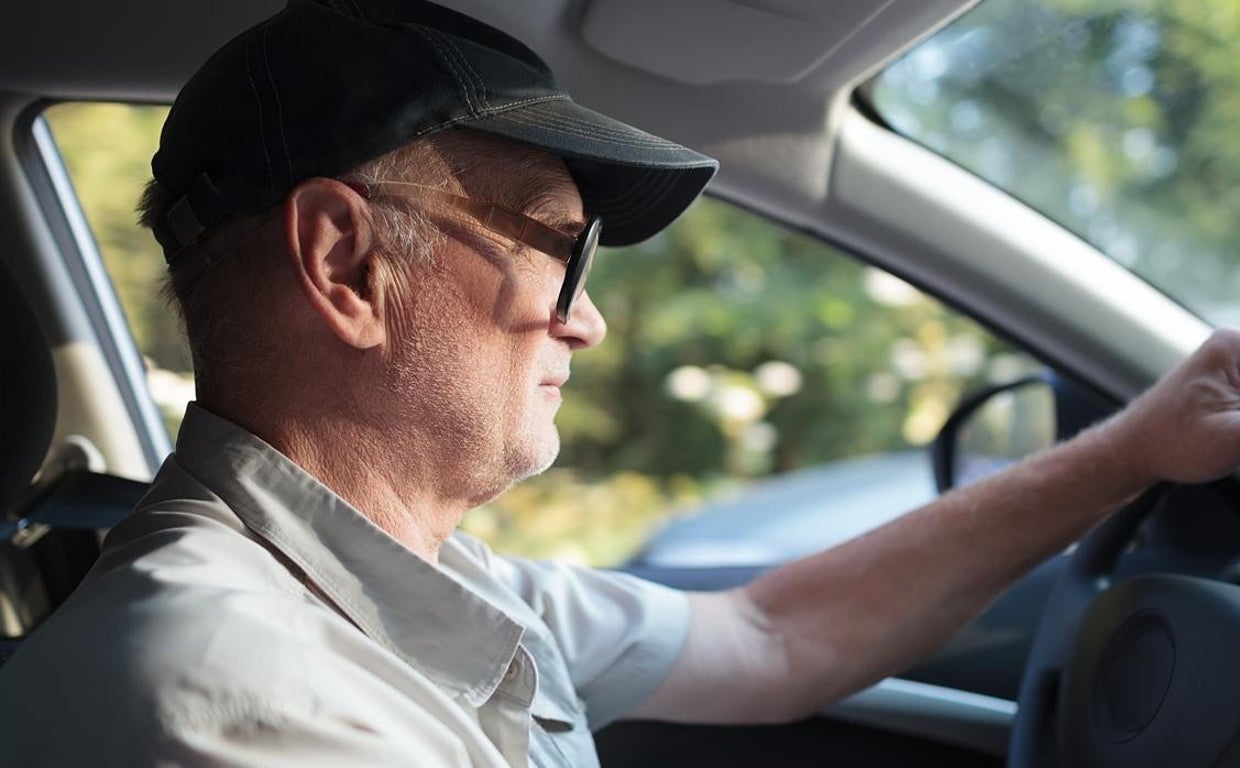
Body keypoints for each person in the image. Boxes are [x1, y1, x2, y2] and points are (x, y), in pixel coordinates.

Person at [4, 0, 1240, 765]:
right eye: (559, 245)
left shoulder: (406, 585)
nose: (584, 319)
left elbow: (772, 636)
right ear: (347, 262)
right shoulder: (226, 701)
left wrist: (1134, 447)